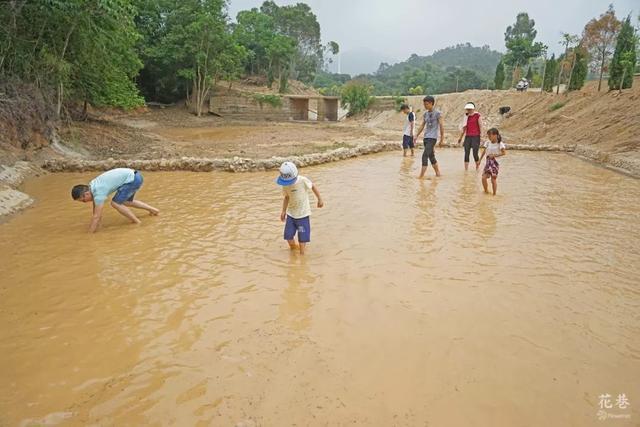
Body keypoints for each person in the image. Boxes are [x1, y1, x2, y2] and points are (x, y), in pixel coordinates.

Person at [71, 168, 159, 233]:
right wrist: (99, 226)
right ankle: (154, 210)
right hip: (135, 176)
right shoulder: (92, 185)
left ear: (86, 194)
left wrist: (89, 235)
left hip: (132, 180)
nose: (85, 202)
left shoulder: (98, 192)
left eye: (83, 200)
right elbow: (96, 213)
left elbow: (96, 216)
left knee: (115, 203)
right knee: (126, 202)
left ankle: (137, 222)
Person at [277, 161, 324, 255]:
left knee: (302, 238)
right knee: (288, 236)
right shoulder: (285, 184)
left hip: (303, 214)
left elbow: (313, 186)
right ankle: (293, 250)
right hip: (291, 214)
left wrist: (319, 199)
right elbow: (286, 197)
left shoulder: (302, 180)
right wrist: (283, 211)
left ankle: (302, 256)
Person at [414, 95, 444, 178]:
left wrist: (441, 139)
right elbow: (422, 125)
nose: (425, 106)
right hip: (426, 138)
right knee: (431, 156)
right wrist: (416, 135)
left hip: (433, 138)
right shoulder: (425, 114)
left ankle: (421, 176)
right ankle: (438, 173)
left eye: (426, 104)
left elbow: (441, 126)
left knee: (425, 155)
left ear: (431, 103)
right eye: (424, 104)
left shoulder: (438, 113)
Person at [479, 128, 507, 195]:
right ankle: (486, 192)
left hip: (495, 163)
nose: (489, 137)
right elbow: (484, 151)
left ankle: (494, 194)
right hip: (488, 163)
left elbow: (504, 153)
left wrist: (494, 155)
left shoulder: (500, 144)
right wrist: (479, 160)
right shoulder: (487, 142)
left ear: (495, 135)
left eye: (490, 135)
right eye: (488, 135)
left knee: (493, 179)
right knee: (483, 178)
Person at [457, 102, 482, 171]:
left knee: (475, 153)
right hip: (468, 137)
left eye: (470, 109)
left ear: (473, 109)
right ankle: (466, 170)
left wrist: (482, 136)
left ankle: (477, 168)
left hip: (476, 136)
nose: (469, 110)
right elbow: (464, 128)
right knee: (466, 153)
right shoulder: (466, 117)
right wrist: (460, 138)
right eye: (468, 109)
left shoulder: (477, 115)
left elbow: (480, 126)